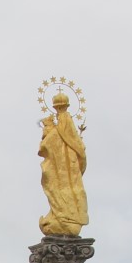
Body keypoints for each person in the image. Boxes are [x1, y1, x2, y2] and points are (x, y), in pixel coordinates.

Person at [38, 90, 88, 236]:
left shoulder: (64, 124)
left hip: (67, 167)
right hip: (60, 167)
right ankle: (62, 215)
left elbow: (46, 144)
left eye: (60, 107)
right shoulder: (63, 125)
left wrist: (49, 135)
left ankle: (67, 217)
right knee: (58, 188)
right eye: (58, 108)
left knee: (66, 188)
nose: (59, 110)